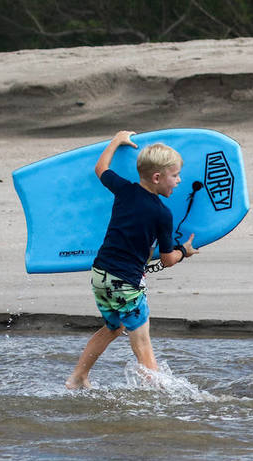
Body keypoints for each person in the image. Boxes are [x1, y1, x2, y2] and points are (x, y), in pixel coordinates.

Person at [65, 130, 198, 389]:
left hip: (100, 275)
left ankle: (78, 377)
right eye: (175, 176)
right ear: (157, 177)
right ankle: (160, 394)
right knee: (142, 339)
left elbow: (100, 168)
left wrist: (117, 140)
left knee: (113, 328)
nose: (179, 181)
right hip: (126, 282)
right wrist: (185, 250)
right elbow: (168, 258)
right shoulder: (162, 214)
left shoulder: (124, 189)